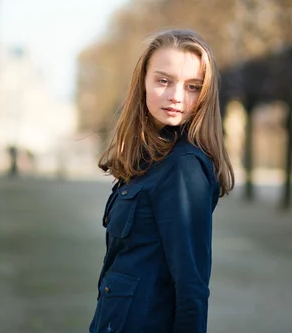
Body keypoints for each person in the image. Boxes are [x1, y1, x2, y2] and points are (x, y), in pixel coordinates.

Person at [89, 29, 235, 333]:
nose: (176, 97)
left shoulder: (184, 167)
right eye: (164, 81)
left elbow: (192, 288)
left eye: (193, 86)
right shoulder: (151, 159)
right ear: (143, 81)